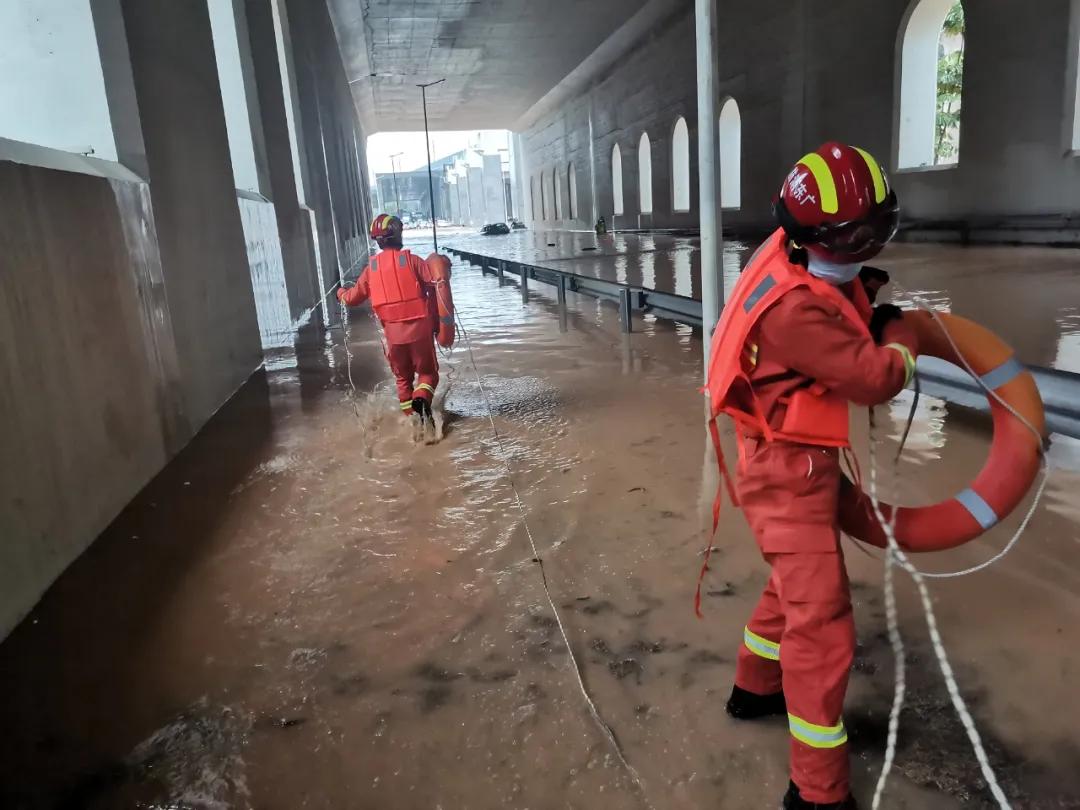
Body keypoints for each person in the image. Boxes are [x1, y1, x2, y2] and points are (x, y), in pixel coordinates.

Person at [704, 143, 919, 809]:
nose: (869, 244)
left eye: (877, 229)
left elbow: (839, 301)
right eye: (858, 235)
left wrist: (868, 306)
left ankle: (753, 688)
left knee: (794, 583)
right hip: (786, 472)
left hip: (788, 458)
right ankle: (818, 790)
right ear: (815, 235)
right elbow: (874, 378)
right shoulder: (796, 311)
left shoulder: (786, 256)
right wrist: (901, 339)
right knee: (823, 624)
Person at [337, 214, 449, 432]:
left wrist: (340, 292)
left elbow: (351, 298)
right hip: (419, 333)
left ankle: (413, 421)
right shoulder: (413, 261)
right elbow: (437, 284)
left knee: (402, 379)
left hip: (393, 337)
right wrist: (443, 264)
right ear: (397, 234)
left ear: (378, 241)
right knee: (428, 374)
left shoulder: (371, 270)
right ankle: (423, 399)